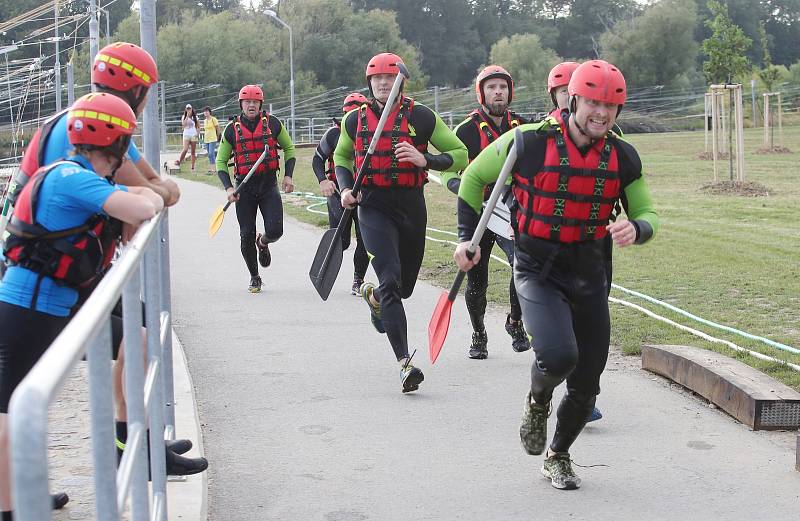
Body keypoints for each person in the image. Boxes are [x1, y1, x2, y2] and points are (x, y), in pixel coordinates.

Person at [454, 60, 658, 489]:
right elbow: (472, 179)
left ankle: (558, 455)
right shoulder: (527, 143)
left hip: (590, 274)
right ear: (574, 99)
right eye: (594, 103)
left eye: (611, 106)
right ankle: (538, 398)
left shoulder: (622, 156)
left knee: (587, 386)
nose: (601, 113)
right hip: (536, 269)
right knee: (559, 356)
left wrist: (635, 227)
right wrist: (464, 239)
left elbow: (647, 214)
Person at [10, 41, 204, 486]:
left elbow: (155, 185)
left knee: (136, 331)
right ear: (134, 89)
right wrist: (153, 189)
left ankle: (139, 439)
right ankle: (124, 447)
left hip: (71, 266)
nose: (149, 101)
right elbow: (152, 190)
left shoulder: (99, 118)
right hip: (44, 270)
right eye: (148, 91)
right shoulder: (92, 126)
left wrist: (153, 188)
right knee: (38, 377)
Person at [0, 93, 164, 521]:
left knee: (137, 336)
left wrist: (136, 195)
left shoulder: (76, 175)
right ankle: (11, 507)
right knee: (10, 408)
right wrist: (146, 195)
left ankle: (23, 496)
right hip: (26, 310)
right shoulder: (73, 178)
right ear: (115, 144)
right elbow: (143, 203)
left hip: (55, 308)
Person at [333, 52, 467, 393]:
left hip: (411, 205)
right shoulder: (354, 121)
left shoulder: (421, 116)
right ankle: (404, 363)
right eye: (376, 78)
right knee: (392, 280)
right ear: (369, 83)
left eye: (389, 78)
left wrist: (427, 159)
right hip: (373, 206)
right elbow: (342, 156)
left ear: (400, 81)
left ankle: (375, 297)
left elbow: (461, 153)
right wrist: (346, 188)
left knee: (403, 287)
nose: (382, 83)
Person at [441, 65, 529, 359]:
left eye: (502, 87)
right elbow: (448, 171)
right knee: (477, 283)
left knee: (523, 266)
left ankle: (514, 321)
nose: (498, 92)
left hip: (510, 210)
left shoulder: (522, 127)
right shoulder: (465, 130)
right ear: (482, 93)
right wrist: (460, 185)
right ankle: (479, 333)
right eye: (491, 87)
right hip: (478, 211)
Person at [546, 61, 604, 424]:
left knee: (590, 328)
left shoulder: (613, 142)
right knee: (562, 334)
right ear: (555, 95)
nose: (570, 96)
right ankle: (550, 390)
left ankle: (583, 392)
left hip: (595, 247)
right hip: (548, 246)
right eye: (563, 91)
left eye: (575, 91)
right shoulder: (539, 135)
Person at [215, 84, 295, 293]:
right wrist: (228, 188)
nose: (251, 105)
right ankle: (254, 276)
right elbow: (221, 162)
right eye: (247, 101)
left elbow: (289, 148)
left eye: (255, 101)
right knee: (245, 234)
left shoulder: (274, 124)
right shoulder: (231, 130)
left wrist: (288, 175)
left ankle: (264, 241)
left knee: (276, 230)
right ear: (241, 104)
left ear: (260, 104)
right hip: (244, 188)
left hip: (268, 185)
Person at [311, 92, 369, 296]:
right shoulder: (333, 134)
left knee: (365, 239)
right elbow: (317, 160)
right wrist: (323, 180)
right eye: (349, 115)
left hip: (365, 193)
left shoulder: (373, 133)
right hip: (338, 192)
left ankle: (358, 280)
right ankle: (323, 267)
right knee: (341, 242)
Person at [177, 104, 199, 172]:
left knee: (193, 151)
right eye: (187, 109)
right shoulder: (184, 116)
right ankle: (179, 162)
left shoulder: (195, 117)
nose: (189, 110)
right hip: (186, 134)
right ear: (186, 110)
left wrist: (197, 134)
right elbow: (183, 125)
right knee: (185, 149)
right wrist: (187, 116)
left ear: (192, 109)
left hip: (193, 134)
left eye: (190, 108)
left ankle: (192, 167)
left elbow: (198, 126)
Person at [203, 106, 221, 175]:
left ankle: (214, 169)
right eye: (205, 111)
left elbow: (218, 129)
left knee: (211, 153)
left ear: (209, 112)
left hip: (213, 138)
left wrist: (218, 136)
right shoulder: (204, 121)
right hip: (206, 139)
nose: (206, 112)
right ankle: (211, 168)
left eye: (207, 111)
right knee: (209, 155)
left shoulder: (214, 119)